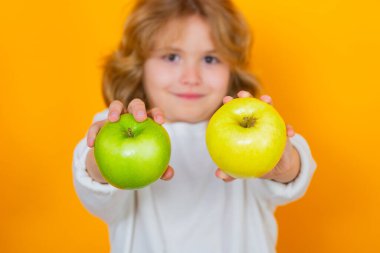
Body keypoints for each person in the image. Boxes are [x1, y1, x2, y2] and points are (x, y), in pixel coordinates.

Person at [72, 0, 317, 252]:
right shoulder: (116, 127)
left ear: (232, 70)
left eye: (210, 59)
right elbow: (95, 193)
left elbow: (292, 179)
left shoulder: (247, 136)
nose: (191, 77)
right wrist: (101, 162)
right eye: (171, 56)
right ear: (139, 66)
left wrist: (283, 163)